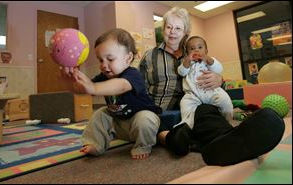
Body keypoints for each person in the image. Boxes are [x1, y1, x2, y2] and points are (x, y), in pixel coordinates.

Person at [139, 7, 284, 166]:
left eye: (178, 28)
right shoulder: (149, 57)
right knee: (192, 127)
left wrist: (219, 79)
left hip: (196, 108)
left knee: (207, 112)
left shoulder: (196, 51)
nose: (172, 32)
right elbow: (139, 90)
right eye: (169, 27)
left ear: (185, 32)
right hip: (166, 113)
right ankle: (200, 140)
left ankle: (231, 141)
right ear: (163, 28)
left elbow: (214, 71)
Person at [61, 28, 161, 160]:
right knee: (100, 113)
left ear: (128, 58)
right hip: (119, 125)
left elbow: (122, 85)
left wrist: (94, 88)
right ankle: (96, 144)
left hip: (141, 125)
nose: (104, 65)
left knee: (145, 118)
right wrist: (73, 85)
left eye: (110, 59)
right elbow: (87, 90)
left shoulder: (133, 74)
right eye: (100, 60)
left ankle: (143, 145)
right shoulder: (104, 76)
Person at [175, 36, 233, 130]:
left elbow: (219, 69)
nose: (196, 50)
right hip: (192, 94)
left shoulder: (209, 61)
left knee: (225, 101)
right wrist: (187, 61)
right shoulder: (187, 63)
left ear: (206, 51)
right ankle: (186, 126)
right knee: (185, 105)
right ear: (187, 53)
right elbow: (181, 72)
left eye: (200, 47)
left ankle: (228, 122)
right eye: (192, 49)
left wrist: (208, 59)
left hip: (211, 91)